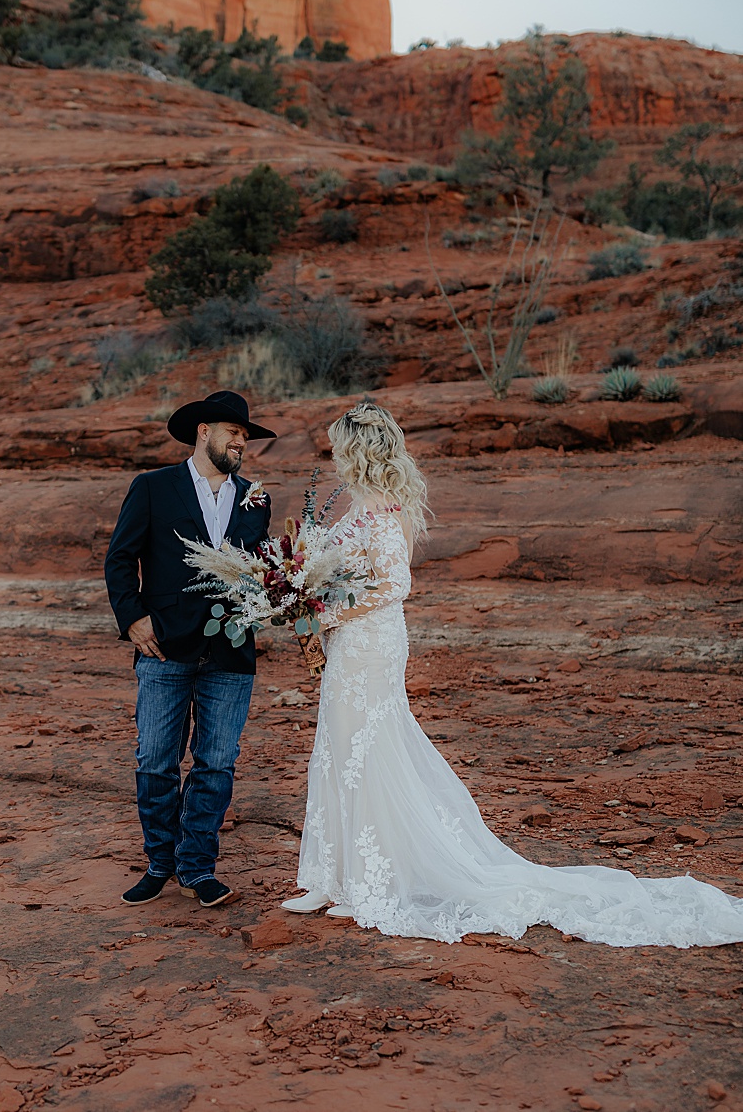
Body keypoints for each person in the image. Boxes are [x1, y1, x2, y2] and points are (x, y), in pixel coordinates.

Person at [283, 400, 743, 945]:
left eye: (339, 444)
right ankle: (328, 876)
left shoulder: (382, 507)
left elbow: (394, 585)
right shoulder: (358, 504)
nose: (333, 453)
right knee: (338, 746)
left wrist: (326, 614)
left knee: (366, 749)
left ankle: (366, 883)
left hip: (369, 642)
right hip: (350, 641)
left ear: (358, 450)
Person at [103, 390, 275, 910]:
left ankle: (198, 868)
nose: (242, 441)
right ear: (204, 431)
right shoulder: (154, 487)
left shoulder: (257, 499)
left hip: (232, 652)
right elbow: (120, 558)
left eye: (246, 435)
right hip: (163, 650)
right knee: (155, 760)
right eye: (234, 431)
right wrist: (133, 619)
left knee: (216, 764)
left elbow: (261, 571)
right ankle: (160, 862)